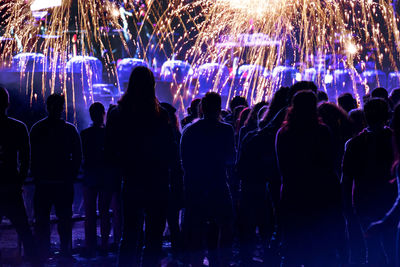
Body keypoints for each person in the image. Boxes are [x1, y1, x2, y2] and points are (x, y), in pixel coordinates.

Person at [106, 66, 182, 267]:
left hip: (131, 180)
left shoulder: (117, 114)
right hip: (158, 182)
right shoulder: (161, 115)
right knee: (154, 239)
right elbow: (172, 152)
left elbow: (110, 151)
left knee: (129, 236)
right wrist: (176, 182)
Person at [276, 90, 345, 266]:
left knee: (294, 248)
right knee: (320, 247)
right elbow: (329, 163)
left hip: (293, 194)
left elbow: (282, 167)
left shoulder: (283, 133)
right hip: (320, 195)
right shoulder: (322, 131)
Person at [181, 92, 236, 267]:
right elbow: (231, 159)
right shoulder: (226, 130)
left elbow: (184, 161)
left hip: (196, 186)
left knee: (196, 228)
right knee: (225, 224)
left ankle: (196, 262)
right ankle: (221, 261)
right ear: (219, 107)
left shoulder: (189, 130)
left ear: (201, 108)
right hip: (218, 184)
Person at [342, 98, 397, 264]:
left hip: (364, 201)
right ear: (387, 116)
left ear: (365, 116)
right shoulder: (394, 140)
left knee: (371, 247)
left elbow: (347, 178)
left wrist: (346, 205)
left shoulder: (354, 143)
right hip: (390, 199)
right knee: (392, 246)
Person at [30, 93, 82, 260]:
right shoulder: (69, 130)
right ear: (63, 108)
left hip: (44, 182)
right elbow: (78, 156)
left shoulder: (37, 129)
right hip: (63, 182)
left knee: (42, 220)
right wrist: (71, 175)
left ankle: (43, 252)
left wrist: (36, 175)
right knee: (64, 219)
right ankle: (65, 251)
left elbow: (32, 156)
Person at [0, 87, 38, 265]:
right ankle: (35, 262)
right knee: (24, 230)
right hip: (10, 186)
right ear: (7, 104)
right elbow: (25, 159)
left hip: (9, 185)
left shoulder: (17, 127)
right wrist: (19, 181)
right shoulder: (17, 127)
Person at [80, 102, 116, 257]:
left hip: (90, 176)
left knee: (90, 213)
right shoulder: (109, 134)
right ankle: (104, 245)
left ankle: (91, 246)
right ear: (104, 114)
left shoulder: (85, 134)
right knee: (104, 212)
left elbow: (82, 157)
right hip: (106, 176)